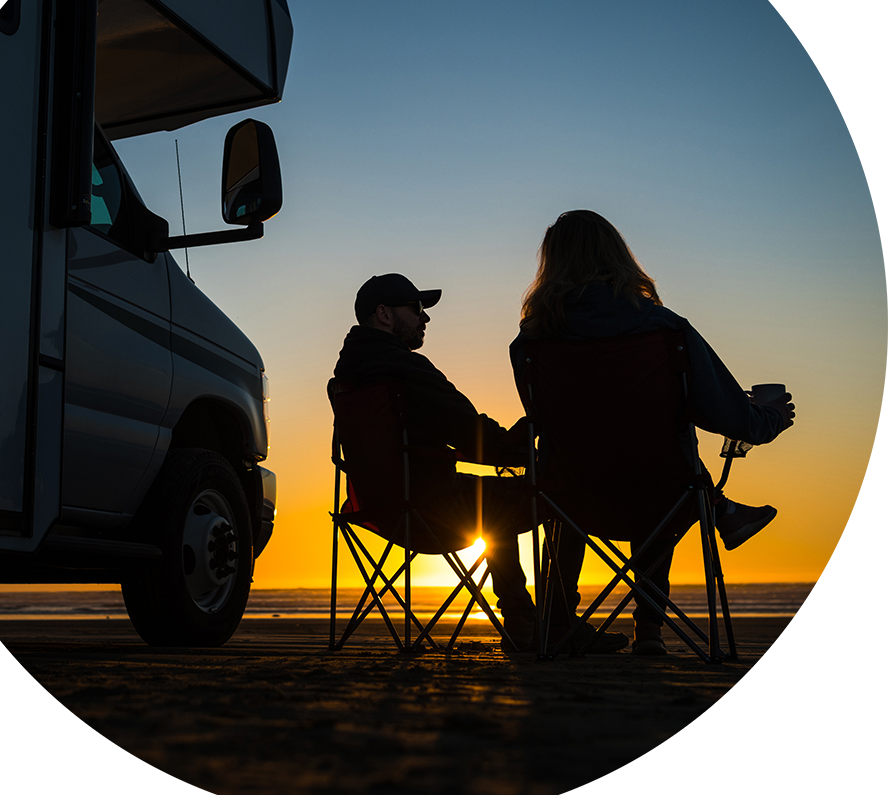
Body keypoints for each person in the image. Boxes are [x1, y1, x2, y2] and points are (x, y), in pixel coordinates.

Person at [511, 211, 795, 656]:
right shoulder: (665, 329)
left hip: (570, 496)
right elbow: (734, 419)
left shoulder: (530, 344)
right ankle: (650, 633)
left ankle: (559, 624)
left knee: (581, 473)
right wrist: (770, 416)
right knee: (660, 477)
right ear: (618, 256)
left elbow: (550, 421)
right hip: (660, 492)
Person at [330, 272, 628, 653]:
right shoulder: (406, 369)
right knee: (560, 496)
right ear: (385, 315)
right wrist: (528, 437)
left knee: (496, 501)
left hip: (379, 509)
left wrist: (503, 449)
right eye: (417, 308)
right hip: (435, 509)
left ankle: (521, 617)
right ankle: (557, 623)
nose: (425, 318)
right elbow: (472, 434)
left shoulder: (348, 376)